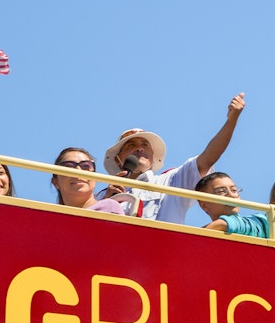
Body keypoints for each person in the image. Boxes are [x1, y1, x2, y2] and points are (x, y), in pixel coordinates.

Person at [103, 92, 246, 224]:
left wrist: (231, 121)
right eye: (131, 145)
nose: (140, 148)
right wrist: (105, 202)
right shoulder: (102, 194)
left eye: (145, 145)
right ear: (117, 160)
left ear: (153, 157)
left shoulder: (171, 180)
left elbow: (208, 158)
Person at [51, 147, 125, 215]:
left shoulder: (110, 208)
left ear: (95, 179)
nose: (78, 171)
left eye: (86, 166)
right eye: (68, 166)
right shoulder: (49, 219)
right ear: (55, 182)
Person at [196, 171, 269, 238]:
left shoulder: (258, 221)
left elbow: (234, 223)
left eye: (234, 190)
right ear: (204, 205)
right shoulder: (206, 240)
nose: (231, 195)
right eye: (221, 191)